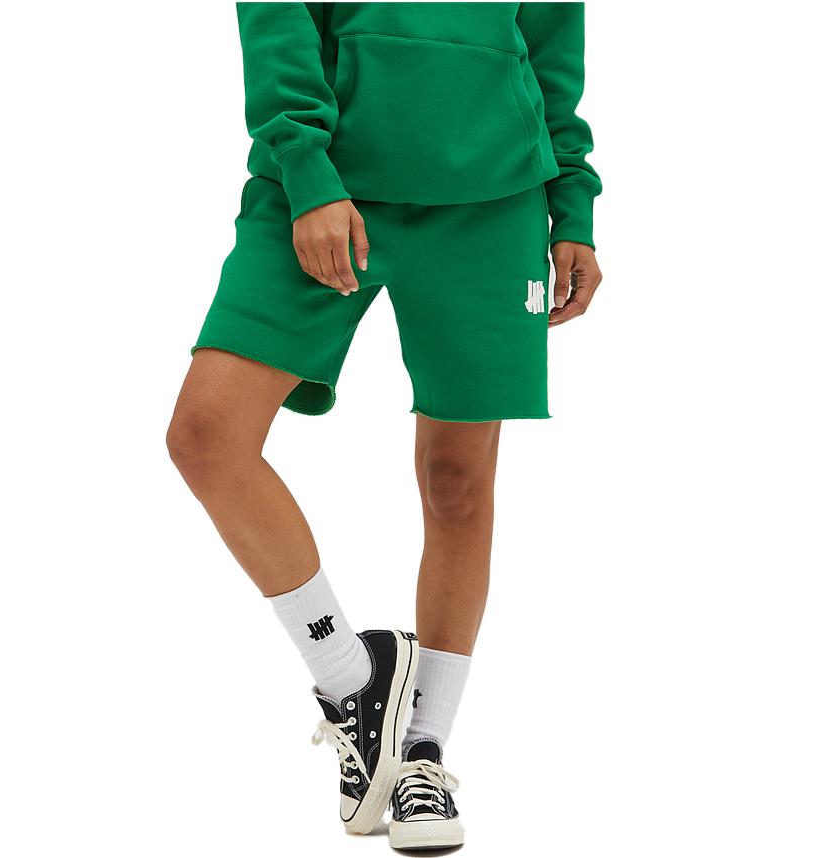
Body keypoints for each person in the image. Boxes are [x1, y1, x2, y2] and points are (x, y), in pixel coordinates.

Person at [167, 2, 602, 850]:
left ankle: (421, 755)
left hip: (494, 196)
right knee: (207, 435)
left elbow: (551, 36)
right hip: (324, 178)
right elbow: (277, 15)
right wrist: (306, 168)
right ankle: (352, 679)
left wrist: (573, 204)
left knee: (458, 481)